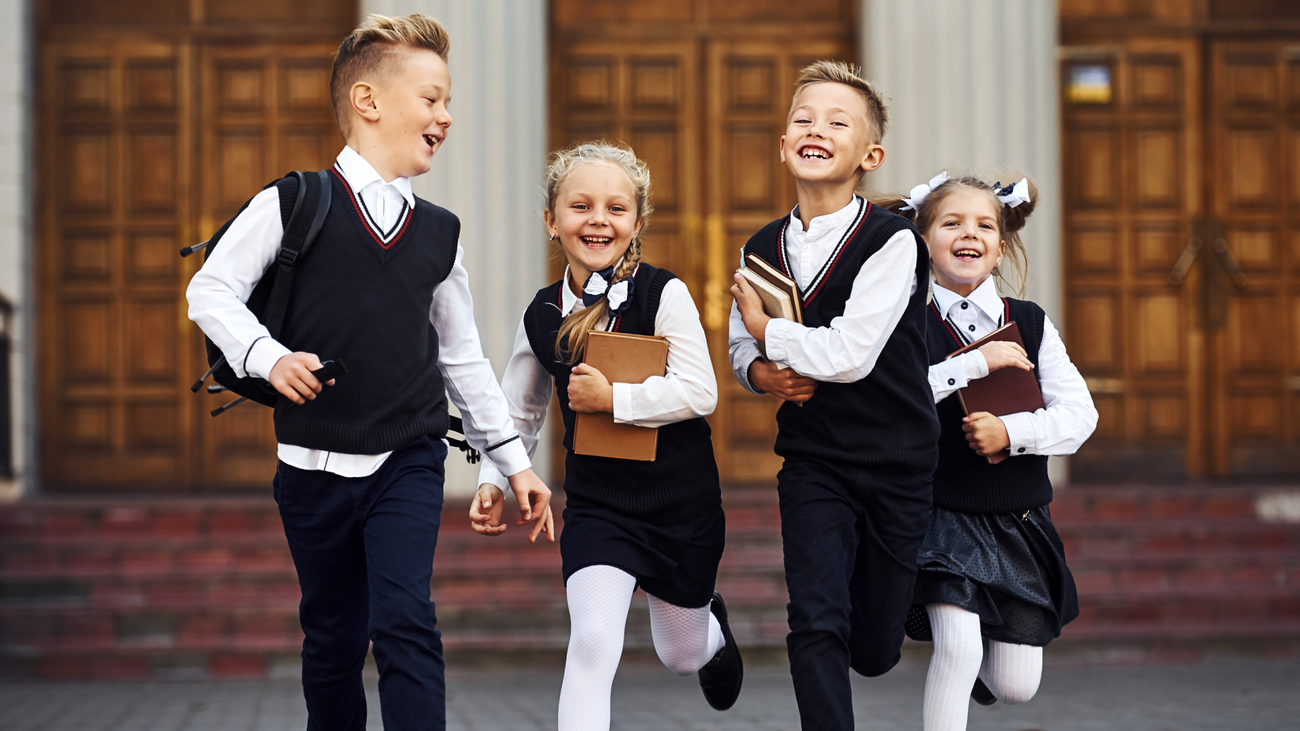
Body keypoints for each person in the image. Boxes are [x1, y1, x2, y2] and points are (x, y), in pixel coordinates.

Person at [186, 14, 552, 731]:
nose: (446, 117)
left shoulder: (440, 233)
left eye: (449, 102)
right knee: (332, 639)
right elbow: (210, 290)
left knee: (406, 620)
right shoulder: (293, 203)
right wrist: (268, 355)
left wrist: (514, 462)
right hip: (309, 465)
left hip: (406, 456)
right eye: (432, 98)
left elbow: (461, 355)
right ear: (368, 101)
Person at [469, 141, 743, 731]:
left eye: (616, 208)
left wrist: (613, 400)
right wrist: (495, 475)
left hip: (680, 504)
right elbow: (518, 409)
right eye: (580, 206)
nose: (598, 220)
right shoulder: (541, 314)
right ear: (552, 220)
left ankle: (712, 635)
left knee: (680, 655)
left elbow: (702, 392)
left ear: (637, 223)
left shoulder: (662, 292)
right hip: (599, 506)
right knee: (594, 641)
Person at [728, 60, 940, 731]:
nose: (816, 129)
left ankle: (914, 603)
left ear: (869, 156)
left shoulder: (893, 242)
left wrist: (772, 332)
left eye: (836, 122)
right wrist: (763, 373)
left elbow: (849, 354)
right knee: (815, 616)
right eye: (803, 119)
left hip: (898, 461)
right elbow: (739, 349)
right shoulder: (760, 249)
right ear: (784, 143)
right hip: (815, 460)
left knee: (874, 649)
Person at [882, 172, 1097, 731]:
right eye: (951, 222)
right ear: (922, 239)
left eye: (984, 225)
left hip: (1015, 516)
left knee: (1016, 686)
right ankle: (961, 662)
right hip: (937, 514)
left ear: (1001, 246)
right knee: (957, 647)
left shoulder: (1029, 322)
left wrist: (1012, 432)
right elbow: (892, 401)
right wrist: (966, 369)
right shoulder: (900, 323)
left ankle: (981, 664)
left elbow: (1080, 416)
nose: (968, 233)